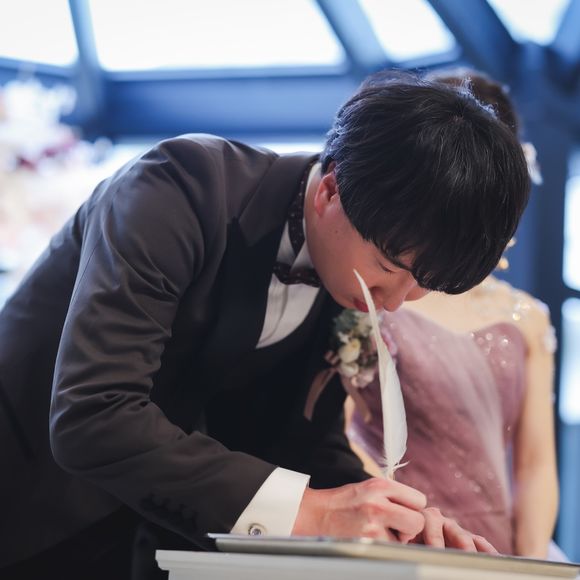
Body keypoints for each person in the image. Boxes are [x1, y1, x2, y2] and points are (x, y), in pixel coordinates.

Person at [0, 72, 530, 579]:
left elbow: (302, 444)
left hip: (152, 543)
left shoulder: (347, 267)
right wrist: (312, 512)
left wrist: (393, 523)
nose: (393, 303)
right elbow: (94, 413)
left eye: (424, 284)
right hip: (27, 511)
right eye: (389, 268)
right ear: (330, 192)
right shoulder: (177, 189)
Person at [345, 69, 559, 558]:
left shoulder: (527, 318)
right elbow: (337, 434)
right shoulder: (377, 294)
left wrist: (528, 562)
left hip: (496, 548)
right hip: (398, 536)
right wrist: (405, 525)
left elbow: (535, 465)